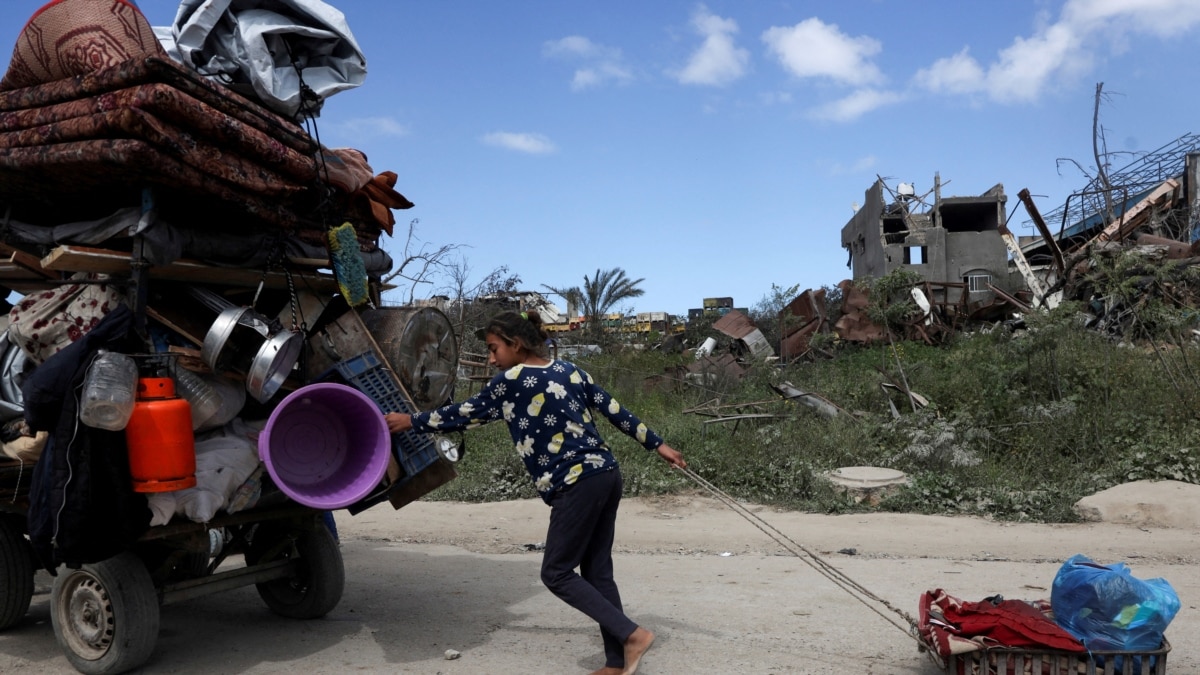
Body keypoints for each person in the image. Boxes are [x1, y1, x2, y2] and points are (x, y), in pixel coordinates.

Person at [386, 310, 686, 675]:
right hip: (606, 474)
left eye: (494, 349)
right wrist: (658, 446)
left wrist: (411, 421)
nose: (492, 359)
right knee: (597, 571)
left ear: (516, 345)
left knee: (556, 572)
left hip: (574, 481)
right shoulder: (570, 370)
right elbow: (615, 410)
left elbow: (465, 413)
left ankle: (632, 635)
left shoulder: (511, 380)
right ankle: (615, 660)